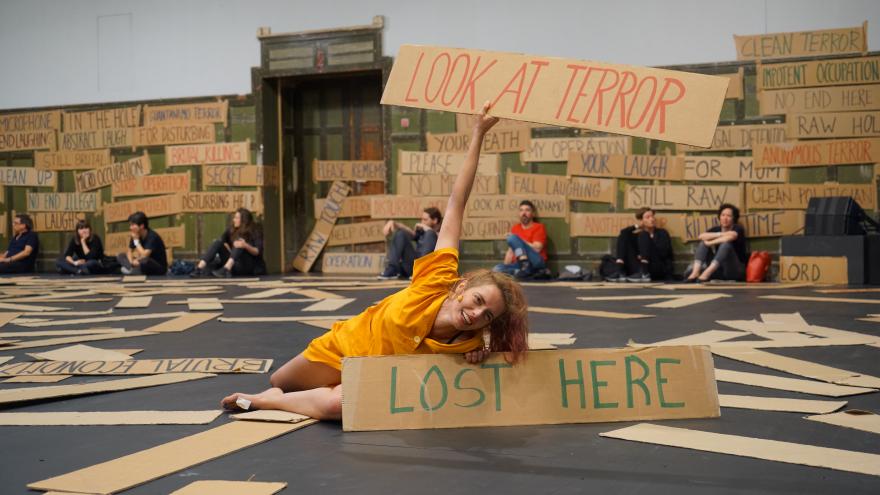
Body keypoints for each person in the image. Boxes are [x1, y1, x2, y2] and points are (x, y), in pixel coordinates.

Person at [221, 102, 529, 420]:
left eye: (487, 315)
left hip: (375, 379)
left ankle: (265, 402)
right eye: (477, 300)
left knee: (336, 406)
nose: (476, 314)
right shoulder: (438, 278)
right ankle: (280, 395)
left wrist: (477, 357)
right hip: (350, 343)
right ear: (462, 287)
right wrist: (478, 132)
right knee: (281, 381)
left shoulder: (469, 343)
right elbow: (456, 204)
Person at [191, 208, 265, 278]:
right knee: (217, 242)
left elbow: (257, 251)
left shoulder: (255, 230)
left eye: (236, 218)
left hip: (247, 265)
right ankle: (199, 268)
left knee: (239, 243)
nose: (234, 220)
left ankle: (226, 269)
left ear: (243, 220)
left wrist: (245, 245)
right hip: (234, 263)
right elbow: (221, 240)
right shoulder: (232, 230)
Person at [686, 203, 748, 282]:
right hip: (718, 269)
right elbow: (701, 236)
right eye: (723, 215)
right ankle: (695, 273)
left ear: (734, 218)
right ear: (719, 216)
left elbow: (732, 236)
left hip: (734, 271)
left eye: (729, 216)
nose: (725, 218)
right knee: (703, 244)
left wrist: (711, 243)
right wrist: (720, 234)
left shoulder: (738, 228)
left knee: (726, 245)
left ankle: (706, 273)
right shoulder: (717, 229)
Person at [610, 207, 673, 282]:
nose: (652, 219)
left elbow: (664, 253)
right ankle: (620, 271)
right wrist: (637, 226)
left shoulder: (662, 233)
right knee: (624, 236)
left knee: (644, 234)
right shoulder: (639, 235)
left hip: (657, 267)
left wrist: (645, 254)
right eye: (648, 217)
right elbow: (623, 233)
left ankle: (644, 273)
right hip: (639, 268)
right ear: (641, 220)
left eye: (652, 216)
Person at [377, 207, 442, 280]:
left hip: (428, 269)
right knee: (401, 233)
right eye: (421, 219)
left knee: (430, 234)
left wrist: (428, 229)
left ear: (435, 220)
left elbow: (440, 237)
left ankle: (421, 272)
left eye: (425, 220)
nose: (422, 222)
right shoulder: (423, 231)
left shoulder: (441, 231)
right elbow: (410, 232)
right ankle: (392, 269)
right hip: (413, 267)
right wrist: (393, 222)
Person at [492, 200, 547, 279]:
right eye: (521, 210)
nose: (524, 213)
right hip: (519, 264)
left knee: (512, 238)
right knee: (497, 269)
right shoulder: (515, 228)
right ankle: (525, 271)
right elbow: (511, 251)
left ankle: (526, 267)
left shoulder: (539, 227)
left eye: (527, 210)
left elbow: (537, 248)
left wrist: (518, 239)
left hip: (535, 261)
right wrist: (505, 265)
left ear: (533, 214)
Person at [116, 211, 167, 276]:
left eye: (133, 225)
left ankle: (132, 271)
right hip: (140, 263)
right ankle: (132, 270)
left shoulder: (152, 236)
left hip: (157, 267)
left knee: (145, 260)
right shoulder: (135, 234)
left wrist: (136, 241)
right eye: (130, 225)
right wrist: (131, 262)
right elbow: (129, 251)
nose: (130, 228)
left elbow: (144, 255)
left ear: (142, 226)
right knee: (120, 255)